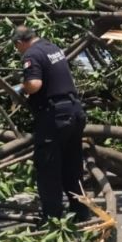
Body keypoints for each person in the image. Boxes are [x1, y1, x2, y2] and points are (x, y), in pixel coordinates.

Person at [12, 25, 90, 223]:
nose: (17, 50)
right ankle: (81, 211)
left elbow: (35, 85)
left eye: (16, 46)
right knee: (72, 165)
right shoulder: (52, 48)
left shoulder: (32, 54)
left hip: (54, 116)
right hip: (74, 111)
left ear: (20, 42)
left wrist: (22, 87)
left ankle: (52, 217)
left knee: (48, 167)